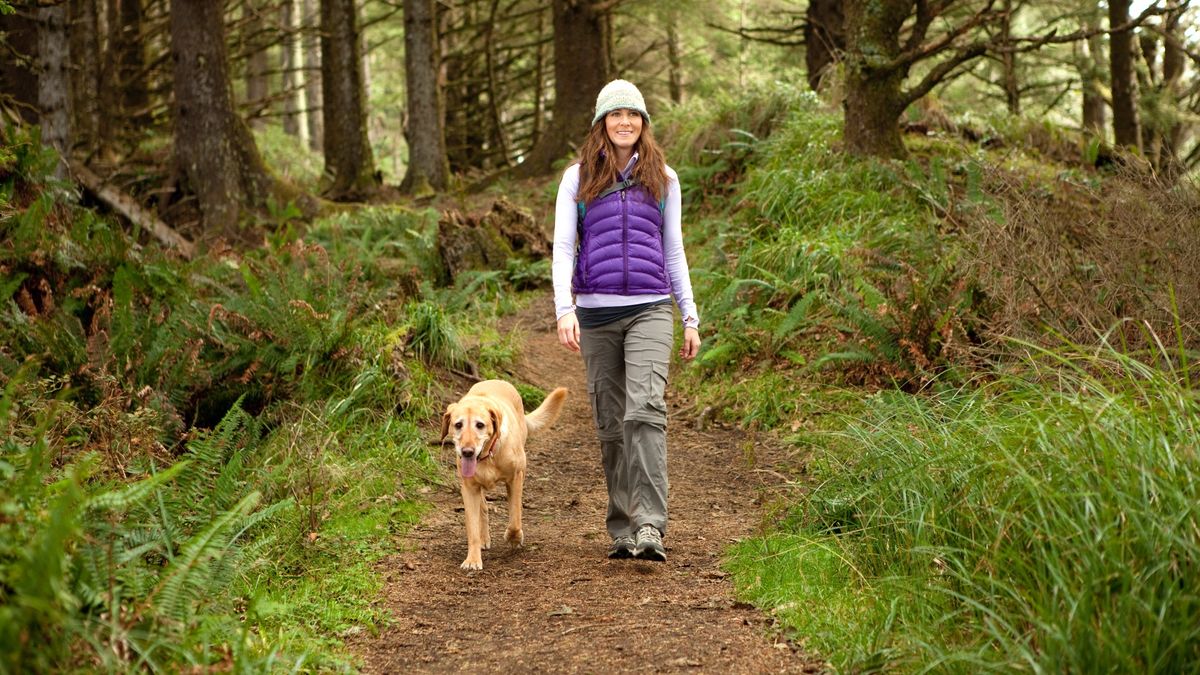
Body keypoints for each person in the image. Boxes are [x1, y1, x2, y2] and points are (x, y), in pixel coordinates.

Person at [552, 79, 701, 562]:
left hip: (651, 308)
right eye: (615, 115)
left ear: (643, 124)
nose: (624, 123)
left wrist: (690, 314)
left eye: (633, 115)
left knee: (644, 410)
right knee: (611, 424)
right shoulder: (576, 179)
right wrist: (564, 308)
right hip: (596, 314)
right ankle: (621, 525)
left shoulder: (665, 178)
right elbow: (561, 249)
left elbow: (673, 250)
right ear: (601, 123)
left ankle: (651, 525)